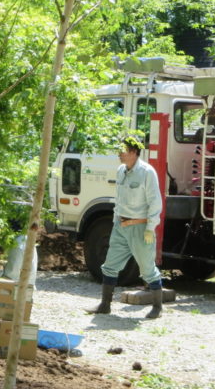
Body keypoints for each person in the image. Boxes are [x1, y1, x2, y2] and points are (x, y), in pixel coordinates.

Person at [88, 136, 164, 319]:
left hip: (140, 227)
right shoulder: (121, 170)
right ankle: (105, 304)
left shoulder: (147, 172)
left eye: (122, 150)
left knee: (147, 268)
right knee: (110, 265)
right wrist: (116, 221)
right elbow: (119, 199)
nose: (119, 154)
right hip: (120, 225)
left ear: (133, 152)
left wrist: (150, 228)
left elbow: (155, 202)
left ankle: (157, 308)